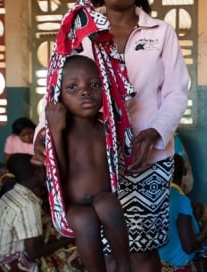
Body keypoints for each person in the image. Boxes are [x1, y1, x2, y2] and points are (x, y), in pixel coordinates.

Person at [32, 1, 189, 271]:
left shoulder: (161, 32)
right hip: (94, 161)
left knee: (142, 251)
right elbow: (57, 87)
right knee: (102, 253)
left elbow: (176, 92)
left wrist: (155, 132)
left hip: (148, 160)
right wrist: (42, 133)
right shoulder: (79, 30)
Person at [44, 54, 132, 272]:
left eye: (94, 84)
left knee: (107, 203)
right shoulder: (62, 132)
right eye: (72, 87)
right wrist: (55, 131)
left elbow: (117, 166)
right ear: (59, 96)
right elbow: (58, 177)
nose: (85, 91)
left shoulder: (107, 129)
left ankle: (124, 265)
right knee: (84, 220)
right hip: (73, 207)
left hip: (103, 198)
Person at [0, 154, 79, 271]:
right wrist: (70, 238)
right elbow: (34, 253)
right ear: (38, 172)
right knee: (64, 258)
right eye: (44, 169)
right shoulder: (28, 204)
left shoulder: (11, 193)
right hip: (11, 265)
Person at [159, 154, 207, 271]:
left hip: (158, 258)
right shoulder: (181, 199)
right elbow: (189, 247)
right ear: (184, 172)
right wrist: (205, 232)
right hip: (177, 263)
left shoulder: (157, 194)